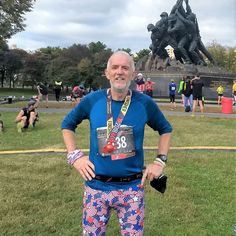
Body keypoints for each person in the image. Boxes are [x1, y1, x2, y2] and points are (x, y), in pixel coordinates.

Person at [61, 51, 172, 235]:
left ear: (133, 74)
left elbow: (165, 129)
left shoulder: (144, 103)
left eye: (125, 67)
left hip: (132, 190)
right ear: (107, 73)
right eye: (115, 67)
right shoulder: (92, 100)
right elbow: (67, 125)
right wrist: (74, 156)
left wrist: (160, 161)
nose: (119, 72)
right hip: (96, 188)